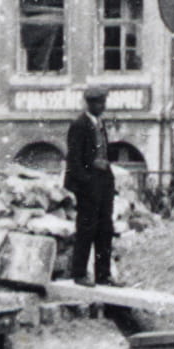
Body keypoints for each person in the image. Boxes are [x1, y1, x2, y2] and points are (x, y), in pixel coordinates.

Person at [63, 87, 116, 287]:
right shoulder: (79, 125)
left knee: (105, 229)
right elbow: (74, 159)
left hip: (103, 182)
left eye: (103, 102)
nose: (102, 106)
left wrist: (108, 180)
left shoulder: (100, 124)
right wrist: (86, 182)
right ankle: (79, 273)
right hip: (88, 185)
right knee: (86, 228)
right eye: (99, 103)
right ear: (90, 104)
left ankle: (103, 275)